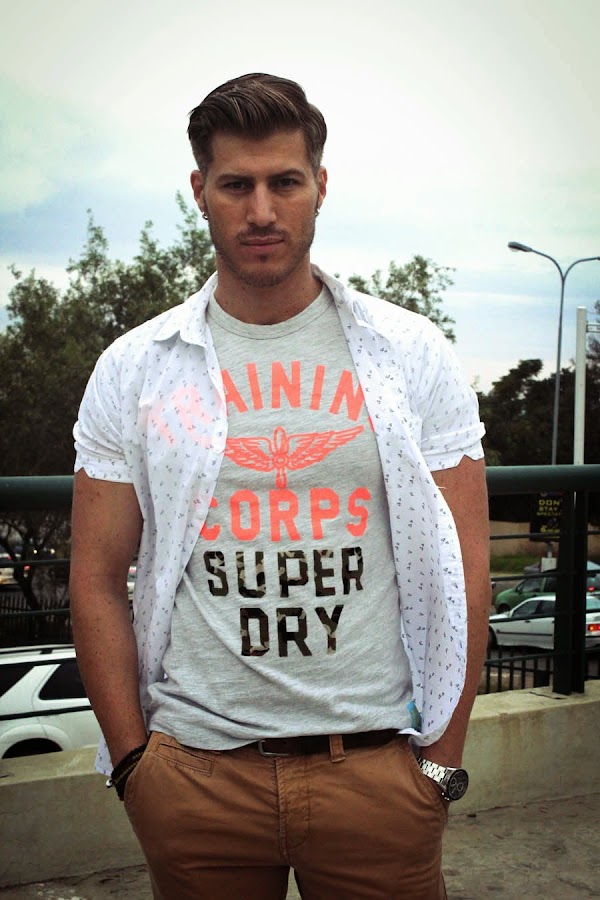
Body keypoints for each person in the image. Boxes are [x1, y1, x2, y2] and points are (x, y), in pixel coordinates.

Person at [70, 73, 490, 900]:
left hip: (374, 769)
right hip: (195, 776)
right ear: (200, 191)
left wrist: (440, 762)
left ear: (320, 186)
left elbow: (468, 565)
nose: (261, 211)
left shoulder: (409, 353)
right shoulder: (136, 368)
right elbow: (95, 576)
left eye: (284, 182)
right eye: (236, 185)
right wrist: (133, 765)